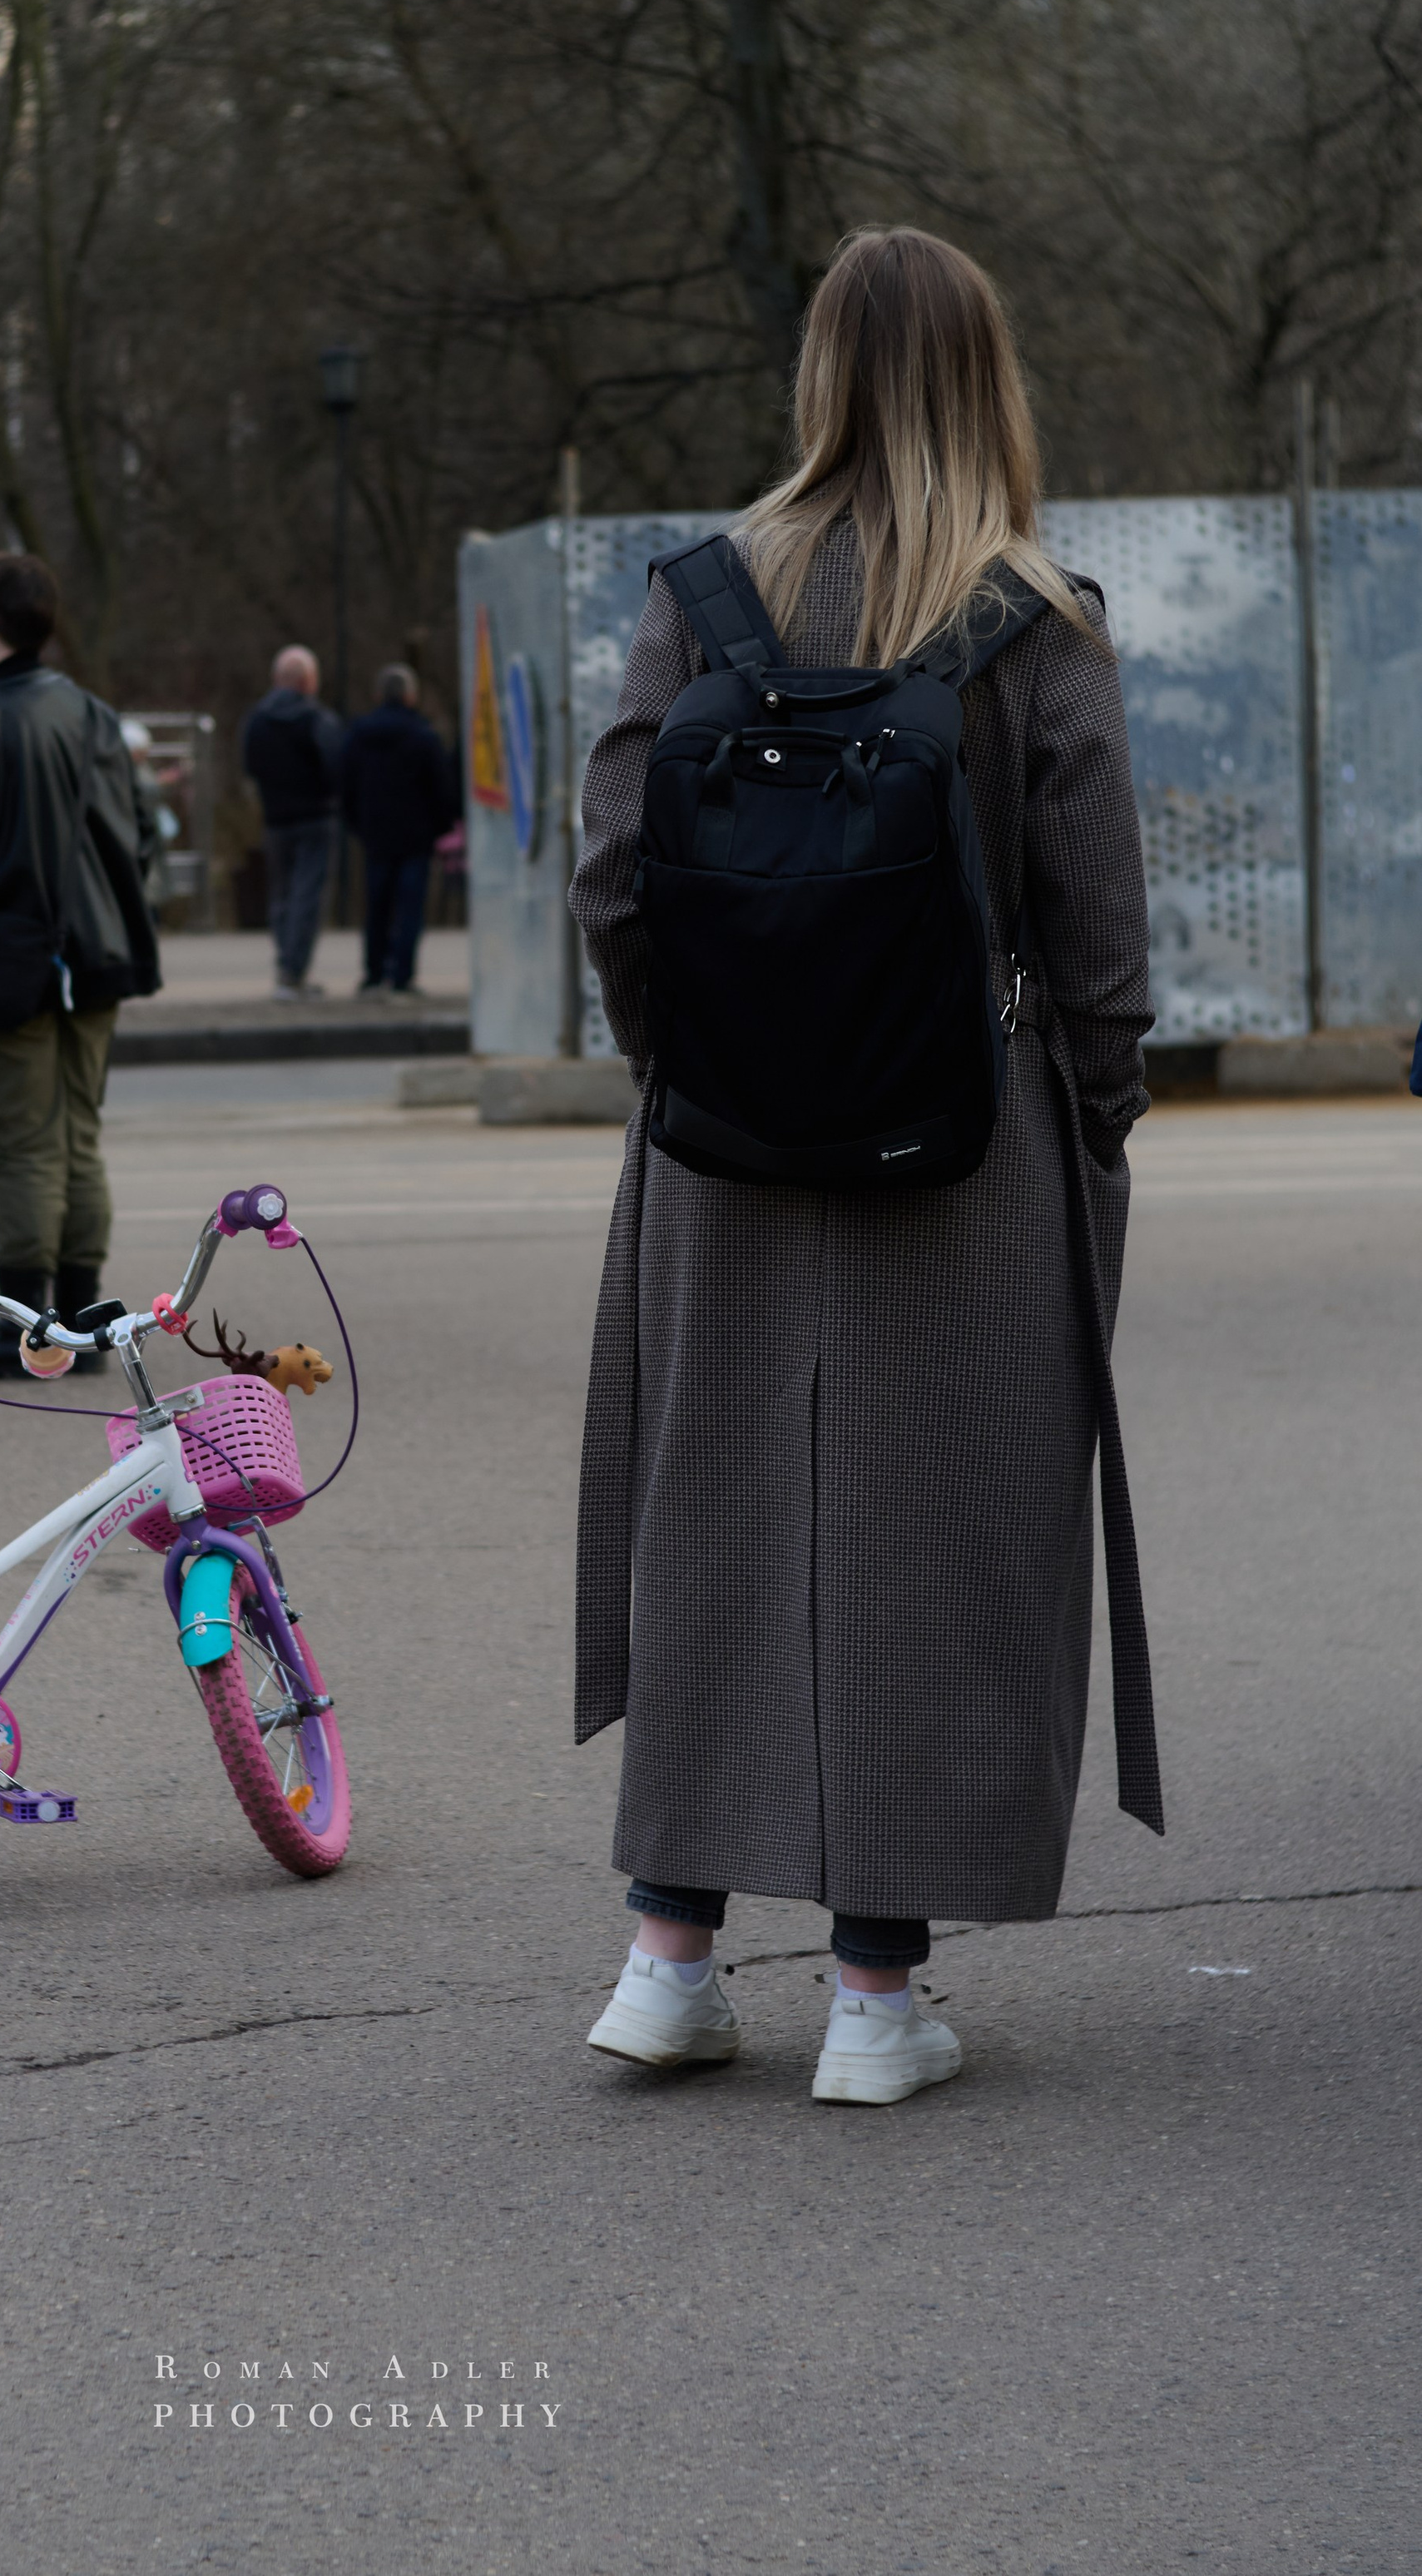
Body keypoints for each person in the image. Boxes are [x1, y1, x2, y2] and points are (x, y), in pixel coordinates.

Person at [567, 226, 1157, 2104]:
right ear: (986, 380)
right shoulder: (1031, 617)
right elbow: (1100, 946)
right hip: (962, 1145)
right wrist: (1090, 1128)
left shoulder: (697, 596)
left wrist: (697, 1073)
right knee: (929, 1547)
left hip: (721, 1155)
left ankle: (666, 1956)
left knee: (713, 1526)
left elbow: (607, 879)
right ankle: (872, 2000)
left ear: (816, 373)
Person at [0, 551, 161, 1382]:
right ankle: (83, 1322)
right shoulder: (91, 714)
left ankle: (31, 1331)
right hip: (97, 957)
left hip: (9, 963)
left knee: (21, 1145)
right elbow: (139, 833)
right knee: (77, 1136)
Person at [337, 664, 458, 999]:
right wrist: (440, 827)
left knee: (377, 905)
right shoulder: (423, 736)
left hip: (376, 833)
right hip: (416, 837)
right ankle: (403, 975)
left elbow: (345, 785)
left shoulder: (358, 736)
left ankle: (374, 973)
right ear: (410, 696)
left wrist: (358, 824)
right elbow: (442, 789)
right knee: (410, 908)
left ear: (378, 696)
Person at [241, 645, 342, 1000]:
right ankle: (294, 969)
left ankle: (287, 963)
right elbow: (336, 766)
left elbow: (250, 765)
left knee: (282, 895)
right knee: (307, 895)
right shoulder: (316, 719)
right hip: (314, 817)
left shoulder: (257, 720)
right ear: (308, 681)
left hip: (275, 818)